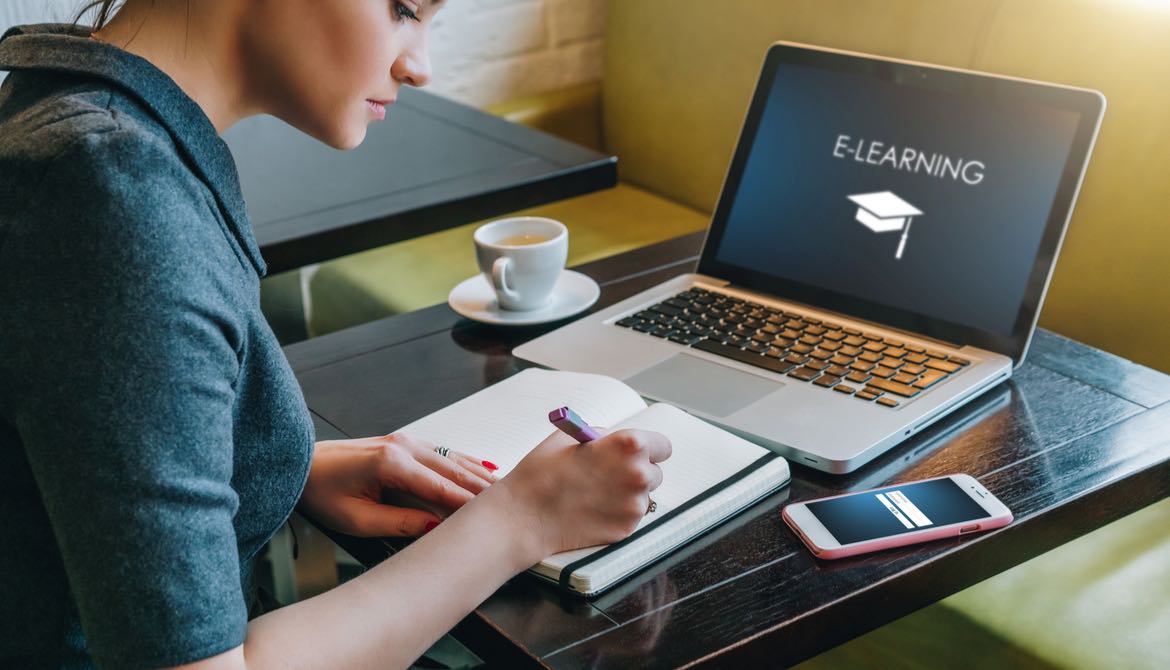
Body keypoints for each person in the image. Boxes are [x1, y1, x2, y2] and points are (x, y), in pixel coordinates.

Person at [0, 1, 672, 668]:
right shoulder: (113, 198)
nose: (421, 66)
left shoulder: (68, 104)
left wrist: (269, 465)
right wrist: (520, 522)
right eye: (404, 8)